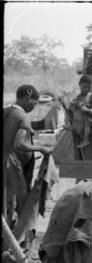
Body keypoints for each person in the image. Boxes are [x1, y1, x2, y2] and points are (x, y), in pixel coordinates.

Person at [3, 85, 52, 228]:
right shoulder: (22, 116)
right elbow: (19, 145)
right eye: (34, 103)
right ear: (27, 98)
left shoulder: (5, 110)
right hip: (13, 168)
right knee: (14, 204)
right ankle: (11, 242)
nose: (34, 107)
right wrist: (40, 148)